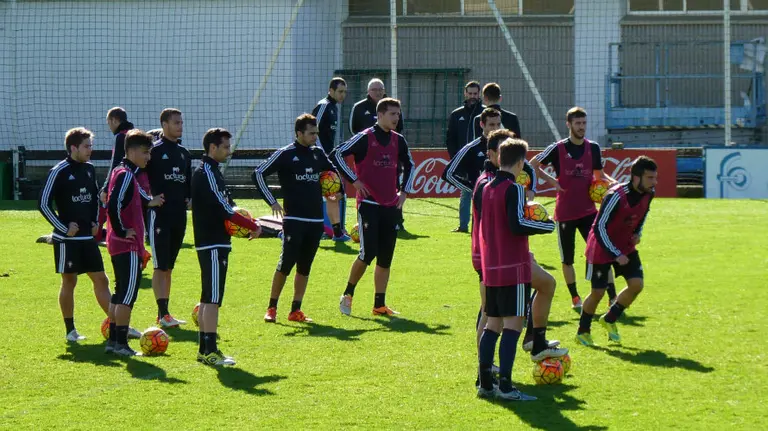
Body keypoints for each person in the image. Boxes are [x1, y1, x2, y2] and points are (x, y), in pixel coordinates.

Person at [475, 138, 559, 401]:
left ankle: (486, 384)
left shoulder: (486, 186)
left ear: (499, 157)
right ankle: (508, 388)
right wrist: (547, 225)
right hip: (514, 267)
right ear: (521, 162)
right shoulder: (514, 188)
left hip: (491, 267)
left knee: (493, 326)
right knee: (513, 326)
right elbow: (517, 224)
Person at [253, 114, 340, 323]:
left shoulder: (318, 154)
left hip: (316, 221)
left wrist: (336, 191)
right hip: (294, 220)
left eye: (317, 133)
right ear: (299, 133)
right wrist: (272, 201)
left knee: (305, 267)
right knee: (286, 263)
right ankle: (272, 307)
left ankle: (295, 310)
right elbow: (258, 173)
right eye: (311, 133)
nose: (315, 137)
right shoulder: (285, 154)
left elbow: (333, 173)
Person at [332, 98, 414, 316]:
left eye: (398, 114)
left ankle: (379, 305)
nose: (396, 118)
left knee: (386, 256)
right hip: (368, 204)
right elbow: (337, 154)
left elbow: (410, 164)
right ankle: (347, 294)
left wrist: (404, 192)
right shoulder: (365, 137)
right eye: (392, 114)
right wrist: (354, 181)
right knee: (368, 253)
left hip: (391, 205)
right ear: (380, 115)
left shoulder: (399, 140)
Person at [530, 107, 617, 312]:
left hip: (589, 212)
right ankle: (576, 298)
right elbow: (533, 163)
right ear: (568, 125)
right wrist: (553, 181)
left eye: (584, 123)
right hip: (565, 214)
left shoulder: (593, 148)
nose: (582, 127)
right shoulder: (557, 148)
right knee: (567, 259)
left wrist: (617, 185)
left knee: (602, 252)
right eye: (577, 123)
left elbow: (600, 176)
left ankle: (612, 297)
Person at [192, 128, 261, 366]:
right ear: (213, 148)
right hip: (211, 243)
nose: (229, 152)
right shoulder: (207, 172)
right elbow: (224, 209)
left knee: (209, 297)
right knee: (212, 298)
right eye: (225, 147)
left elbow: (228, 205)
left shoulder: (214, 172)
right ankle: (209, 351)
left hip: (216, 242)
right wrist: (251, 225)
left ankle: (205, 351)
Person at [38, 127, 112, 342]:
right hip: (66, 241)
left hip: (88, 239)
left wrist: (96, 221)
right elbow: (43, 204)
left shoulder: (89, 169)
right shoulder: (59, 171)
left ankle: (118, 323)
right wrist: (62, 228)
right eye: (87, 146)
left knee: (101, 279)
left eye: (91, 145)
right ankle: (70, 330)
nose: (91, 150)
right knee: (69, 282)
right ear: (74, 148)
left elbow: (95, 199)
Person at [575, 156, 657, 346]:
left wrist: (637, 232)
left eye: (655, 178)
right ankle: (583, 331)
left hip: (625, 244)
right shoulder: (615, 195)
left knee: (636, 285)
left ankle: (609, 319)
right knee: (598, 293)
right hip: (601, 247)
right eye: (650, 178)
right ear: (636, 177)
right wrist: (615, 253)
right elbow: (599, 228)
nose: (654, 182)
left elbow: (643, 215)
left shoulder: (649, 193)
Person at [104, 130, 165, 356]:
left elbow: (136, 199)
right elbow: (113, 205)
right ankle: (121, 343)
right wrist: (123, 230)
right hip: (125, 245)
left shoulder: (124, 172)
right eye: (145, 153)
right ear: (130, 151)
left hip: (123, 244)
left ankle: (113, 341)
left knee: (120, 293)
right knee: (127, 296)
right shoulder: (126, 174)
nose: (148, 157)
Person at [146, 108, 192, 327]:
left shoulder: (184, 153)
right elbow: (135, 177)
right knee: (160, 266)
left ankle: (165, 313)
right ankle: (162, 312)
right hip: (159, 216)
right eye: (176, 122)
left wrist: (189, 199)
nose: (180, 126)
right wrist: (149, 199)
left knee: (169, 267)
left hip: (179, 216)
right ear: (164, 124)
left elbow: (188, 184)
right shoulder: (153, 151)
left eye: (181, 122)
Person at [443, 108, 501, 232]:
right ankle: (463, 225)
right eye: (491, 124)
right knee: (482, 248)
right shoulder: (471, 148)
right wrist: (473, 188)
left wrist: (530, 191)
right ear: (482, 124)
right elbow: (447, 174)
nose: (495, 128)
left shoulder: (508, 146)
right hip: (481, 208)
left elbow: (528, 169)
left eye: (498, 124)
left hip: (504, 207)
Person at [312, 77, 350, 241]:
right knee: (319, 195)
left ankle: (335, 230)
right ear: (331, 91)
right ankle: (323, 229)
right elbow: (313, 131)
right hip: (318, 160)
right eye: (340, 91)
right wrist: (321, 155)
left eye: (344, 92)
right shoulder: (323, 106)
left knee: (332, 193)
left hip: (327, 160)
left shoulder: (334, 108)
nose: (343, 95)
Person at [446, 81, 483, 233]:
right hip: (463, 161)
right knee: (465, 192)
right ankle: (463, 225)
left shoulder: (485, 113)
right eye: (470, 93)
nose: (473, 96)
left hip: (482, 160)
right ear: (465, 93)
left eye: (475, 93)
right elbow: (450, 139)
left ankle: (479, 224)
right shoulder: (456, 114)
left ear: (479, 94)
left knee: (481, 194)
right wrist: (455, 158)